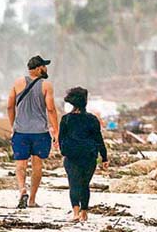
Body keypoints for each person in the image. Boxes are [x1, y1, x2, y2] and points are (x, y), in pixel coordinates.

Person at [7, 55, 59, 209]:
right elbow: (50, 109)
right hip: (40, 132)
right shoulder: (46, 86)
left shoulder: (17, 83)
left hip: (20, 131)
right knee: (37, 165)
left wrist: (13, 125)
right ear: (38, 68)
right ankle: (32, 200)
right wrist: (56, 131)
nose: (46, 68)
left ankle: (22, 189)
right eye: (44, 66)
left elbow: (10, 106)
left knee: (20, 163)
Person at [58, 87, 108, 222]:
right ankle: (84, 212)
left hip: (71, 156)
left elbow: (60, 138)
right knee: (84, 184)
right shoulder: (92, 119)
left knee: (74, 183)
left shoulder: (66, 119)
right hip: (89, 156)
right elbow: (98, 139)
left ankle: (75, 212)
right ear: (85, 102)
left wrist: (64, 151)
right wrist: (104, 157)